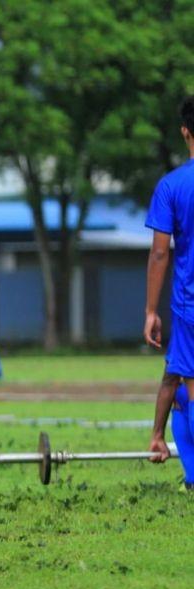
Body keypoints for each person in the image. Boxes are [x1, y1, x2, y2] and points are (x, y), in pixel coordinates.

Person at [144, 94, 194, 491]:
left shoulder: (172, 186)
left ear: (184, 132)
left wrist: (150, 310)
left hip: (188, 303)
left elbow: (161, 251)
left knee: (184, 382)